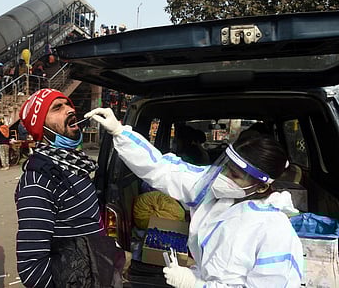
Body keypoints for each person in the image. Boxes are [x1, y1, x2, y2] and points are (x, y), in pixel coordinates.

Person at [85, 107, 303, 288]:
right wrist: (121, 133)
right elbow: (162, 169)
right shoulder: (212, 188)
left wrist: (196, 284)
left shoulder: (274, 228)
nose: (223, 177)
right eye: (225, 167)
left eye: (234, 175)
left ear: (261, 185)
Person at [15, 89, 128, 287]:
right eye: (57, 108)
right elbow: (31, 268)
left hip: (98, 272)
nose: (69, 109)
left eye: (68, 104)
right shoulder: (39, 180)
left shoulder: (75, 165)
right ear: (41, 127)